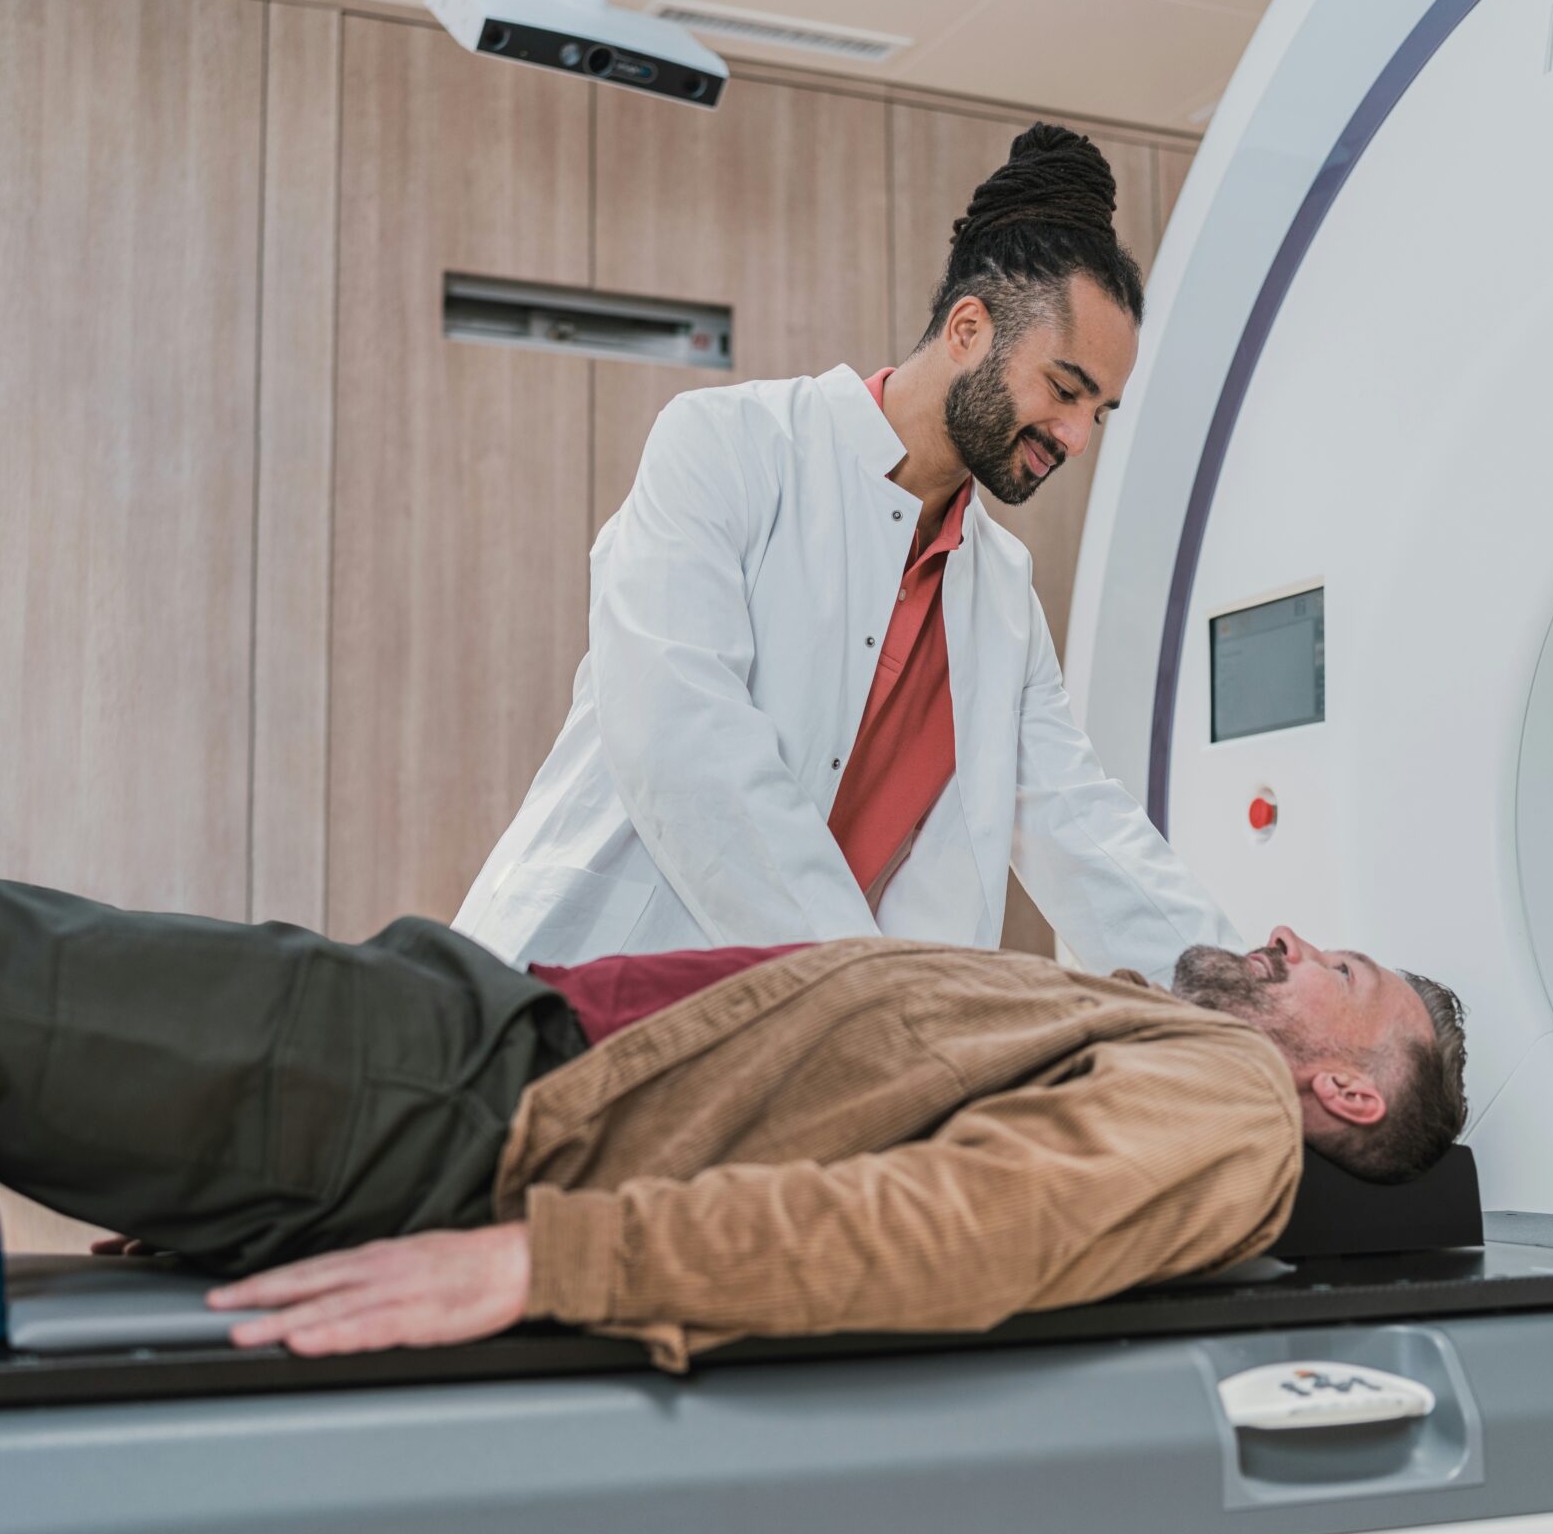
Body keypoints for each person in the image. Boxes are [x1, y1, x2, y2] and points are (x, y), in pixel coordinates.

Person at [0, 853, 1466, 1371]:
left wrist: (547, 1259)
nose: (1293, 938)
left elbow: (953, 1233)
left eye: (1342, 964)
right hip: (444, 1032)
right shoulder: (1139, 1024)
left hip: (452, 1105)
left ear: (1347, 1082)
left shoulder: (1218, 1111)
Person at [459, 123, 1237, 982]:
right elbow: (684, 748)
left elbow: (1083, 827)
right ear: (969, 329)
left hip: (788, 1038)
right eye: (1064, 390)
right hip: (576, 979)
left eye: (1101, 412)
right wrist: (868, 990)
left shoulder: (1003, 598)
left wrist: (1251, 999)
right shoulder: (728, 447)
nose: (1077, 437)